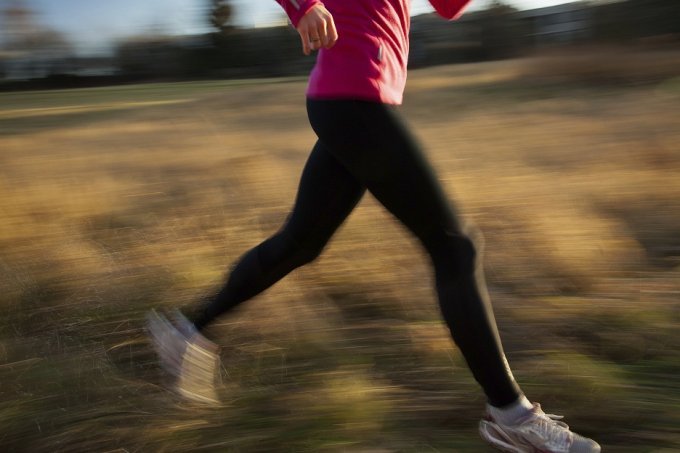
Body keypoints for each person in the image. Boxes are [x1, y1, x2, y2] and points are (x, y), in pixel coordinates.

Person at [147, 1, 601, 452]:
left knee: (301, 243)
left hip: (354, 99)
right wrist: (304, 6)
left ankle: (188, 330)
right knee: (454, 247)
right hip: (351, 96)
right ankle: (511, 416)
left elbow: (446, 8)